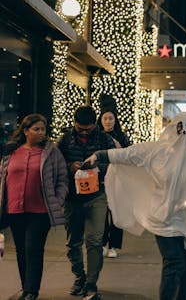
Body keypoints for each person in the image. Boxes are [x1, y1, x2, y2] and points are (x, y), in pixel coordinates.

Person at [85, 112, 186, 300]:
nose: (183, 134)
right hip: (165, 217)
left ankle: (185, 296)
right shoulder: (157, 150)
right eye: (179, 128)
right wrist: (98, 156)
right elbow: (128, 154)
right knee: (174, 262)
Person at [0, 114, 68, 300]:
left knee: (33, 249)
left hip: (40, 211)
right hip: (14, 209)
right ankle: (26, 288)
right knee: (21, 250)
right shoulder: (11, 151)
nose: (40, 133)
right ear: (25, 131)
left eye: (43, 129)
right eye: (36, 129)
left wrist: (57, 200)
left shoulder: (51, 152)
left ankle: (32, 291)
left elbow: (62, 179)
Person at [57, 106, 116, 299]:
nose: (83, 132)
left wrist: (98, 166)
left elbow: (115, 162)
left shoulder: (104, 139)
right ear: (74, 123)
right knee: (73, 242)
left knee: (94, 241)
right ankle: (79, 278)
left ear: (94, 124)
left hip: (97, 196)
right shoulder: (65, 139)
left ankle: (91, 283)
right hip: (72, 198)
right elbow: (55, 164)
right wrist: (69, 167)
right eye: (80, 128)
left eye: (88, 129)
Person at [98, 108, 130, 258]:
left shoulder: (121, 136)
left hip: (117, 178)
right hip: (100, 177)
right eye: (105, 119)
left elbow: (127, 155)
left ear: (115, 120)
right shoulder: (97, 136)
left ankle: (114, 246)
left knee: (116, 212)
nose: (108, 122)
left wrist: (117, 145)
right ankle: (103, 243)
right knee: (102, 212)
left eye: (111, 118)